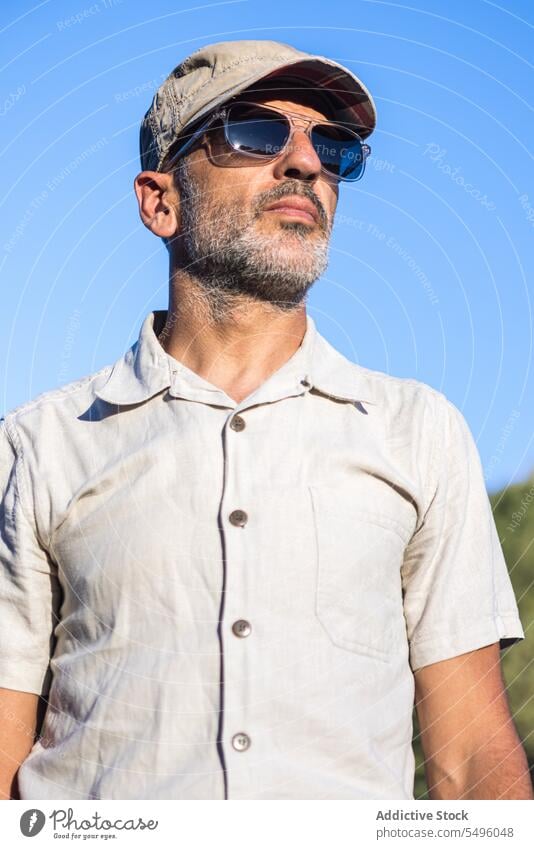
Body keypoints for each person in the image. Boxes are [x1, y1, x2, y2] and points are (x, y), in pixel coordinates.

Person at [0, 39, 531, 801]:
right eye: (255, 131)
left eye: (334, 147)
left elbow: (473, 754)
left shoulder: (420, 433)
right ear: (160, 201)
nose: (307, 163)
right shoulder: (36, 445)